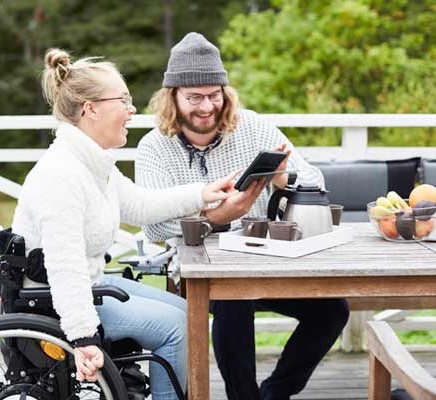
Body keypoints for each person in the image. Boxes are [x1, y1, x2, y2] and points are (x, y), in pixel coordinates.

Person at [11, 48, 239, 399]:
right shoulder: (62, 175)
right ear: (91, 109)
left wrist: (204, 193)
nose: (132, 110)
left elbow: (142, 205)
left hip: (90, 282)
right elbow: (64, 265)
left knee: (187, 310)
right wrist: (84, 337)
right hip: (55, 299)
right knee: (178, 327)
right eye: (124, 100)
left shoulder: (91, 162)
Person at [135, 32, 350, 400]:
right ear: (172, 97)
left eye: (214, 94)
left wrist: (284, 178)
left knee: (333, 312)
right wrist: (218, 217)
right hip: (199, 269)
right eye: (195, 97)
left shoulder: (251, 126)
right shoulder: (153, 147)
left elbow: (315, 179)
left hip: (268, 259)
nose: (207, 106)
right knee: (234, 298)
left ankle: (275, 393)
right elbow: (153, 224)